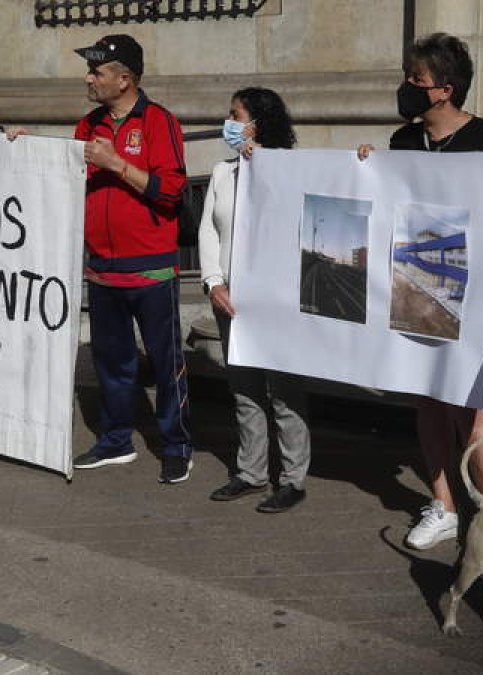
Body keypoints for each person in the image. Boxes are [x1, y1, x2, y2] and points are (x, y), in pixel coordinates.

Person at [359, 32, 483, 550]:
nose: (407, 87)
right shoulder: (405, 142)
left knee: (471, 405)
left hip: (473, 288)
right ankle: (444, 504)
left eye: (416, 81)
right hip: (416, 279)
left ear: (445, 89)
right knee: (426, 399)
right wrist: (367, 169)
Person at [69, 35, 194, 484]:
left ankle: (176, 445)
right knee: (112, 362)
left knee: (166, 363)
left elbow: (172, 192)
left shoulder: (159, 122)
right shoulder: (88, 125)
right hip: (102, 269)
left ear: (124, 79)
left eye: (97, 71)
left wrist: (116, 163)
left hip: (152, 268)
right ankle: (116, 439)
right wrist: (20, 144)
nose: (89, 78)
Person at [200, 87, 311, 513]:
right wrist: (213, 282)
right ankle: (250, 472)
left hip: (277, 301)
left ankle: (293, 478)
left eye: (235, 115)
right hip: (231, 300)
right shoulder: (222, 172)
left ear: (258, 123)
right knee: (244, 389)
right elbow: (209, 229)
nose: (228, 122)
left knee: (285, 391)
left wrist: (262, 163)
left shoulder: (290, 170)